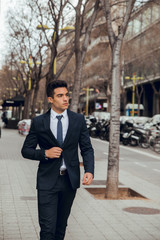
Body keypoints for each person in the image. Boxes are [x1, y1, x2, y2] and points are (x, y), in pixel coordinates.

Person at [21, 80, 94, 240]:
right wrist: (45, 153)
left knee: (60, 228)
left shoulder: (78, 120)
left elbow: (86, 148)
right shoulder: (39, 122)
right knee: (47, 230)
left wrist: (89, 170)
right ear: (50, 99)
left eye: (66, 95)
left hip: (69, 181)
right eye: (60, 96)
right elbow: (26, 150)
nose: (65, 99)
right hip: (47, 181)